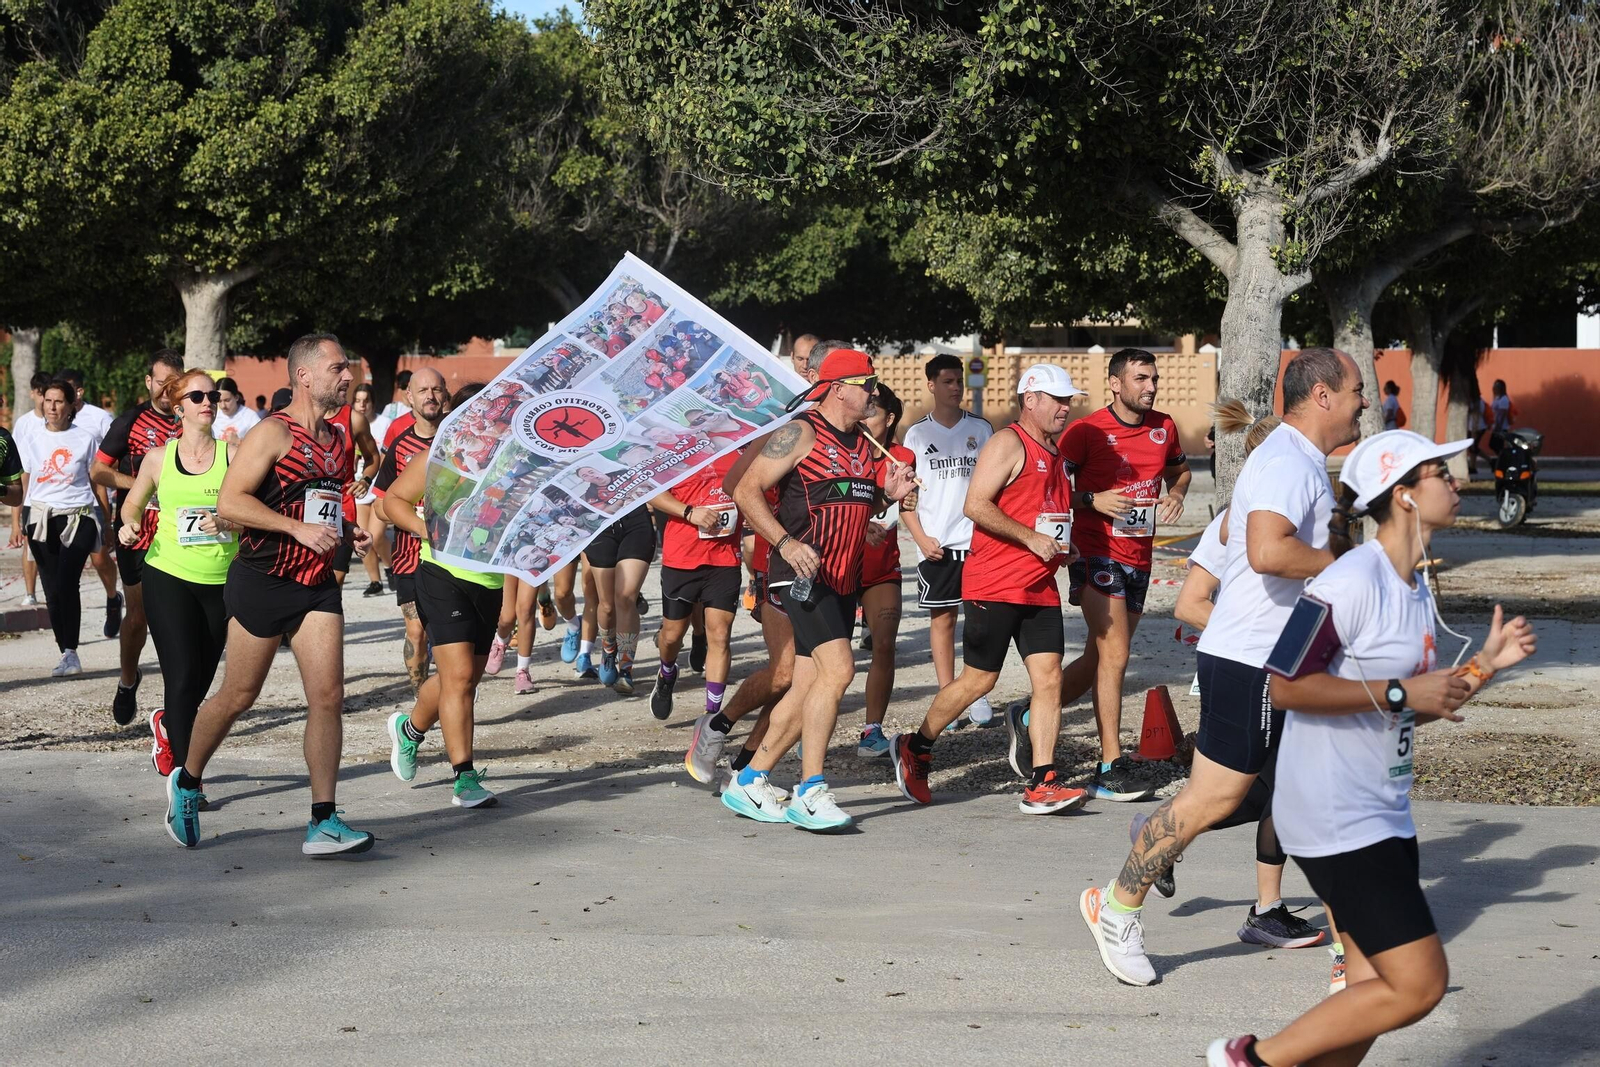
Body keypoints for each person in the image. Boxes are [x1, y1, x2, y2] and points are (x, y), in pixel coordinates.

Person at [1206, 430, 1536, 1067]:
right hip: (1335, 816)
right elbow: (1286, 682)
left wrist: (1483, 669)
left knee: (1368, 991)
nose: (1457, 481)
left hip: (1382, 809)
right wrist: (1397, 692)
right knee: (1419, 984)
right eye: (1440, 472)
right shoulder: (1349, 580)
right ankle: (1251, 1058)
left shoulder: (1413, 586)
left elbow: (1416, 701)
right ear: (1404, 495)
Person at [1080, 347, 1366, 987]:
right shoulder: (1287, 461)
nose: (1364, 402)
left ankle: (1350, 956)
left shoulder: (1303, 464)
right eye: (1355, 390)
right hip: (1248, 663)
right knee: (1215, 799)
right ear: (1321, 395)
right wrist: (1347, 565)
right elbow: (1268, 552)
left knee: (1315, 800)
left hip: (1284, 663)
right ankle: (1119, 907)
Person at [163, 333, 375, 856]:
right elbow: (231, 503)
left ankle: (323, 820)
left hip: (318, 585)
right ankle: (187, 780)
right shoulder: (271, 435)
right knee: (239, 695)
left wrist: (346, 530)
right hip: (264, 579)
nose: (348, 377)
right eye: (339, 368)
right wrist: (295, 529)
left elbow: (320, 503)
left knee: (328, 698)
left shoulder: (340, 437)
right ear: (304, 376)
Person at [722, 348, 914, 831]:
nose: (874, 391)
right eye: (866, 382)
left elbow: (847, 505)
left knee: (808, 683)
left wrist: (885, 498)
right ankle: (810, 790)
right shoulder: (802, 431)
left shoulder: (861, 442)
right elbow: (744, 490)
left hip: (843, 578)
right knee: (840, 670)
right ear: (837, 388)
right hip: (803, 575)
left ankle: (750, 778)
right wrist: (784, 543)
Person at [888, 364, 1087, 815]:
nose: (1065, 407)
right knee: (979, 680)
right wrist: (1030, 538)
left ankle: (1043, 781)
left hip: (1039, 585)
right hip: (995, 582)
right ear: (1030, 399)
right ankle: (916, 747)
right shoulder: (1007, 442)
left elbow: (1042, 512)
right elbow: (974, 505)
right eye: (1057, 399)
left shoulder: (1054, 451)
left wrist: (1059, 546)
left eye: (1068, 399)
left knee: (1050, 678)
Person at [1046, 348, 1190, 803]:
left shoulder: (1163, 426)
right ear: (1115, 383)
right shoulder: (1086, 431)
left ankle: (1031, 718)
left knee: (1097, 658)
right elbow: (1050, 487)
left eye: (1154, 378)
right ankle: (1109, 765)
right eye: (1141, 378)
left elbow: (1180, 471)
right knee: (1117, 652)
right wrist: (1091, 501)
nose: (1151, 386)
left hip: (1140, 557)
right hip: (1096, 552)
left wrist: (1176, 494)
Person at [1163, 400, 1281, 904]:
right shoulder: (1234, 522)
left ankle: (1268, 908)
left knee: (1286, 791)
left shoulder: (1298, 513)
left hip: (1283, 674)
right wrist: (1245, 637)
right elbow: (1189, 605)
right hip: (1245, 669)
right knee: (1237, 794)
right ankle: (1158, 835)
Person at [382, 382, 503, 810]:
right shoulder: (436, 459)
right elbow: (390, 502)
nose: (485, 424)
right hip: (440, 574)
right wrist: (423, 529)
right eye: (476, 415)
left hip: (489, 583)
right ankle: (464, 778)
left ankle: (410, 730)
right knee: (458, 681)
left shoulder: (513, 463)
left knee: (465, 676)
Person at [118, 370, 240, 785]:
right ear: (179, 406)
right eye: (197, 395)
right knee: (183, 673)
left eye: (212, 394)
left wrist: (226, 521)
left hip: (222, 580)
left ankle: (169, 723)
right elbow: (132, 505)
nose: (208, 400)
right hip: (167, 573)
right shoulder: (158, 458)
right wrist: (128, 525)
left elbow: (255, 513)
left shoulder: (233, 455)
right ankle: (189, 780)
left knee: (202, 680)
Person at [900, 353, 996, 727]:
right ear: (931, 385)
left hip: (979, 543)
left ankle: (976, 692)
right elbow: (906, 498)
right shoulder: (917, 435)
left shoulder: (982, 429)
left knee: (980, 621)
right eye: (947, 382)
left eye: (959, 381)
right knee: (943, 620)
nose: (955, 388)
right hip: (937, 546)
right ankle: (947, 694)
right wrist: (922, 539)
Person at [90, 350, 185, 726]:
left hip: (182, 532)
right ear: (148, 382)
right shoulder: (130, 421)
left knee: (179, 617)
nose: (167, 390)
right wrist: (141, 486)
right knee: (138, 617)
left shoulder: (191, 420)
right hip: (137, 531)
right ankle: (128, 680)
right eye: (161, 383)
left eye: (174, 384)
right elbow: (99, 470)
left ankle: (178, 704)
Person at [18, 379, 112, 676]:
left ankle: (71, 651)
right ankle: (65, 650)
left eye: (59, 401)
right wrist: (17, 519)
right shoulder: (32, 437)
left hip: (78, 517)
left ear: (71, 406)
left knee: (68, 580)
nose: (53, 407)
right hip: (41, 517)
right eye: (48, 401)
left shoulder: (84, 438)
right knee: (52, 588)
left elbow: (97, 481)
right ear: (42, 402)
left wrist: (105, 520)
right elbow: (25, 481)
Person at [650, 449, 743, 722]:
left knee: (720, 635)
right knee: (671, 637)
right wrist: (689, 512)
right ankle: (667, 672)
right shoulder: (677, 451)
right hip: (682, 558)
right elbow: (650, 492)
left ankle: (710, 717)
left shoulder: (741, 449)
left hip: (725, 558)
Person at [373, 368, 448, 692]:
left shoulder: (459, 440)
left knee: (445, 633)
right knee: (416, 631)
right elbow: (378, 505)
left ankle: (448, 694)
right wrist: (409, 511)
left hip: (451, 556)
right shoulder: (400, 447)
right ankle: (421, 695)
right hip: (409, 558)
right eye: (422, 391)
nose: (429, 396)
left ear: (444, 394)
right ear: (409, 397)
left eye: (436, 389)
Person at [857, 384, 914, 757]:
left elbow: (907, 504)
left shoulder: (903, 456)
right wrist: (862, 523)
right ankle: (802, 729)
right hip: (836, 568)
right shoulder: (842, 454)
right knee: (825, 659)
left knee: (884, 644)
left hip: (881, 568)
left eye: (872, 412)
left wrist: (910, 497)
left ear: (889, 418)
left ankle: (871, 730)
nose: (864, 419)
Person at [59, 367, 123, 639]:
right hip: (61, 500)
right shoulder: (48, 421)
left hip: (94, 497)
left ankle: (112, 597)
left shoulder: (99, 418)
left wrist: (108, 516)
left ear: (79, 392)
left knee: (99, 558)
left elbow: (115, 457)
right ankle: (66, 632)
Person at [581, 497, 655, 694]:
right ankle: (609, 650)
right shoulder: (589, 488)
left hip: (636, 519)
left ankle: (626, 670)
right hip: (599, 523)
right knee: (606, 605)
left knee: (625, 597)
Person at [8, 371, 51, 606]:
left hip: (55, 497)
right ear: (33, 394)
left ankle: (55, 590)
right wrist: (16, 520)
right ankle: (30, 592)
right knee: (29, 545)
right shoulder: (24, 424)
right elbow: (20, 470)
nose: (46, 402)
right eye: (41, 395)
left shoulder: (60, 421)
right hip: (31, 498)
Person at [342, 383, 383, 593]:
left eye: (366, 400)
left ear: (373, 402)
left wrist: (368, 479)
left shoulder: (382, 423)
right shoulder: (345, 421)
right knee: (363, 537)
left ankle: (391, 567)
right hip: (353, 490)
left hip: (377, 488)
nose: (362, 404)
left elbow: (379, 457)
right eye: (357, 400)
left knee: (374, 536)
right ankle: (376, 581)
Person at [212, 376, 262, 441]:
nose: (223, 406)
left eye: (227, 400)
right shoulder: (213, 416)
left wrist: (238, 442)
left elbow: (261, 442)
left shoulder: (250, 417)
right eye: (219, 401)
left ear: (236, 397)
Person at [1487, 378, 1515, 452]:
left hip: (1501, 427)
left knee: (1495, 445)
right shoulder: (1497, 398)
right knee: (1497, 445)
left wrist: (1498, 427)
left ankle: (1504, 459)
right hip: (1496, 426)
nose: (1494, 387)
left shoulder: (1504, 399)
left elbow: (1502, 415)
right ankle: (1502, 460)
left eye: (1497, 385)